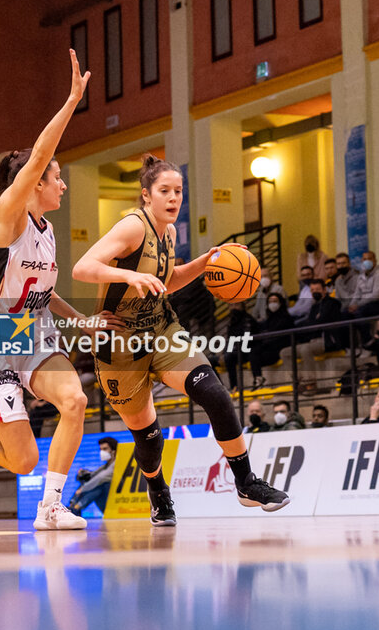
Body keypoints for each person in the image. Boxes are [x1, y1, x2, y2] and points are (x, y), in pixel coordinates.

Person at [73, 153, 289, 526]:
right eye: (165, 191)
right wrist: (127, 278)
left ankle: (246, 482)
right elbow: (82, 268)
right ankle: (157, 492)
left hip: (161, 329)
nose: (173, 198)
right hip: (119, 344)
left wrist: (204, 262)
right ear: (146, 195)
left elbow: (168, 281)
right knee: (148, 437)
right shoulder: (132, 228)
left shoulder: (168, 233)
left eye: (178, 191)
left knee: (215, 394)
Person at [0, 50, 109, 531]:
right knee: (21, 461)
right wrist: (72, 101)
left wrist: (82, 323)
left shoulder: (46, 229)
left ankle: (51, 506)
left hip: (28, 329)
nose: (61, 184)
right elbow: (38, 157)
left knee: (75, 401)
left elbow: (42, 293)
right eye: (56, 178)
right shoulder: (6, 221)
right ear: (32, 184)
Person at [68, 437, 117, 515]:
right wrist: (84, 474)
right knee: (89, 482)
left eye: (105, 449)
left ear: (113, 451)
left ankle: (75, 508)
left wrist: (82, 489)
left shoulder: (116, 464)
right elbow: (93, 476)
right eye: (101, 449)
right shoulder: (105, 466)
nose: (102, 452)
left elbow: (100, 478)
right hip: (106, 501)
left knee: (100, 485)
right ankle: (72, 506)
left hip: (115, 502)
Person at [224, 301, 260, 391]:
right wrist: (224, 352)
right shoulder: (231, 322)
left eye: (236, 304)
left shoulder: (248, 320)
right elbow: (229, 340)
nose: (234, 307)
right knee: (211, 360)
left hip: (247, 350)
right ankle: (222, 387)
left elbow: (247, 340)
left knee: (229, 357)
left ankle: (235, 386)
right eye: (231, 305)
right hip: (236, 350)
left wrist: (230, 351)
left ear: (243, 306)